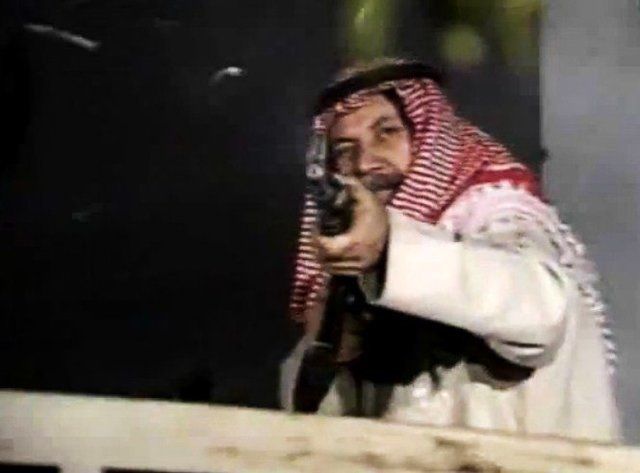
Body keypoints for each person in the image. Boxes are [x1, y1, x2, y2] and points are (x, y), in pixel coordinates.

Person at [280, 58, 620, 442]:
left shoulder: (502, 216)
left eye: (386, 132)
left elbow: (540, 311)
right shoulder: (357, 267)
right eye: (344, 149)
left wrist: (389, 246)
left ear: (432, 138)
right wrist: (330, 345)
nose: (364, 163)